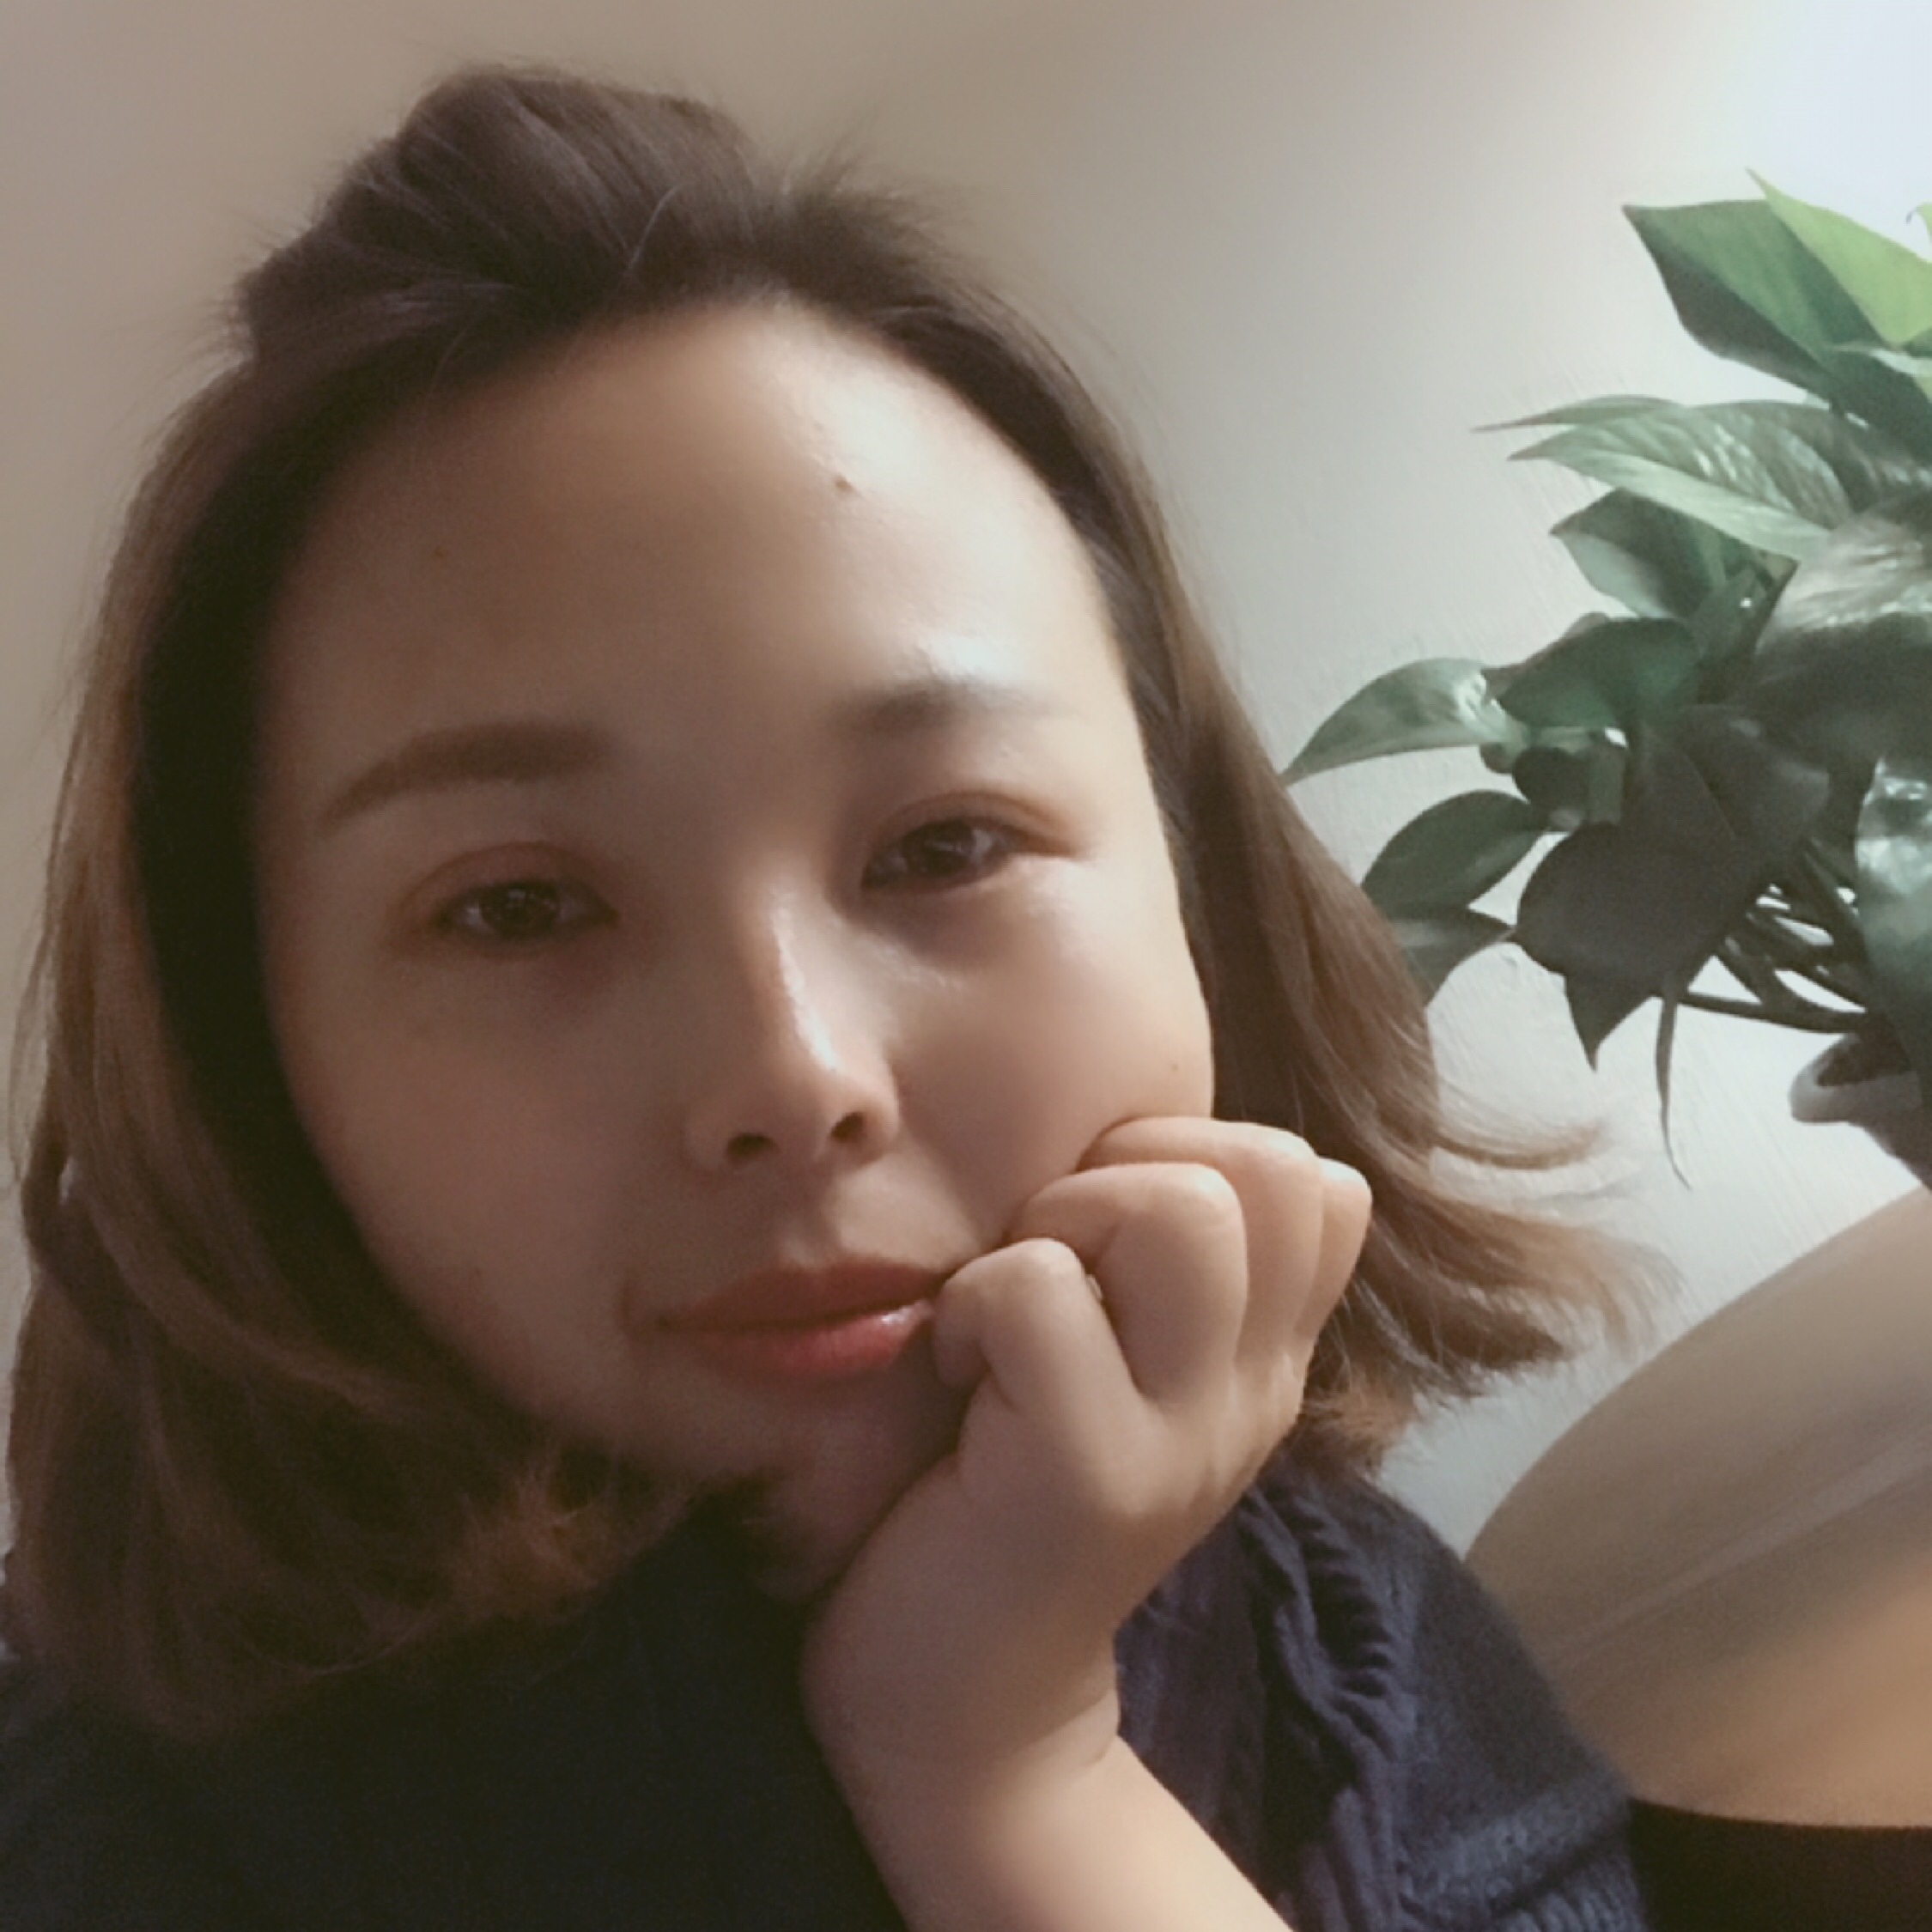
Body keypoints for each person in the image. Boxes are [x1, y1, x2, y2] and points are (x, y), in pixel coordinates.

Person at [0, 64, 1650, 1931]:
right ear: (254, 1043)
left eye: (945, 845)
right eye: (520, 905)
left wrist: (1000, 1754)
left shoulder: (1364, 1658)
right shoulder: (104, 1828)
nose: (794, 1074)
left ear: (1195, 885)